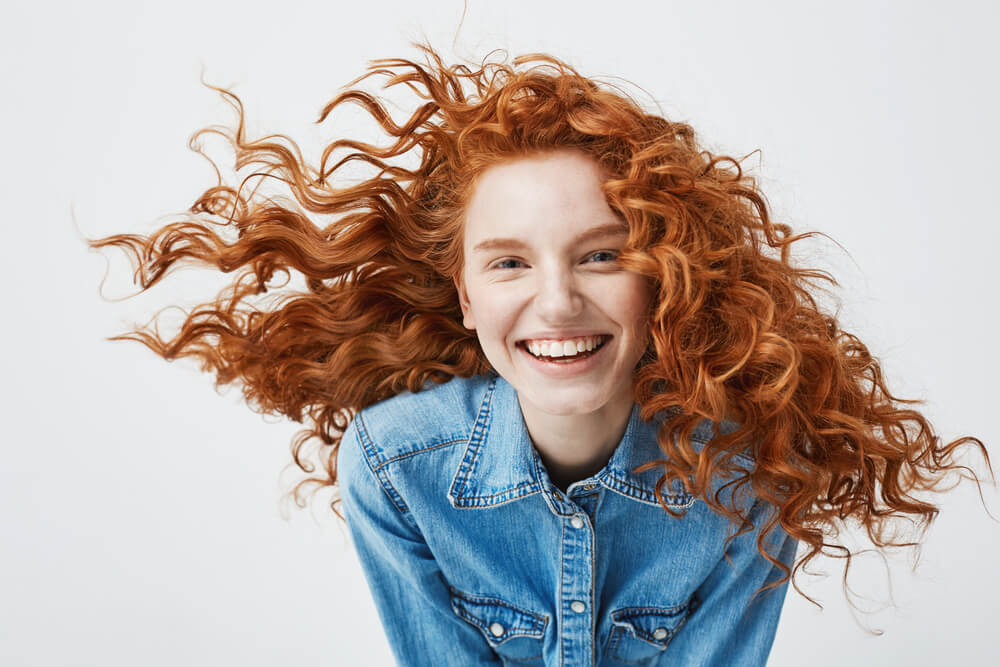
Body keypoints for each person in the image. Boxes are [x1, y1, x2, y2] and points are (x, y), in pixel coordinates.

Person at [87, 43, 991, 666]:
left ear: (662, 278)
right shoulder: (395, 466)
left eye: (601, 255)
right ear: (467, 293)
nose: (556, 301)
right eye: (510, 262)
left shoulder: (750, 474)